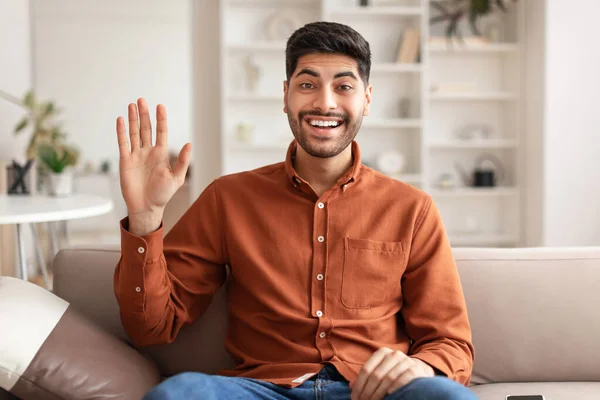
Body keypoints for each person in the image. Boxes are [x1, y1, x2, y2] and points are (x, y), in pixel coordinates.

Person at [113, 21, 477, 400]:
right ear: (286, 95)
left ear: (367, 99)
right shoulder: (228, 198)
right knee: (177, 394)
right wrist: (145, 216)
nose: (325, 102)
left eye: (343, 86)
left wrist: (420, 366)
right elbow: (151, 328)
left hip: (371, 394)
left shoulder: (412, 209)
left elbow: (451, 343)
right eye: (307, 84)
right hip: (263, 389)